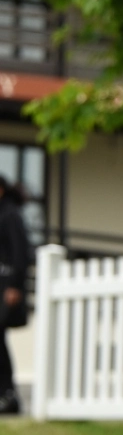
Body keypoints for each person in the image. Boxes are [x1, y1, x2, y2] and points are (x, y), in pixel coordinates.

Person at [0, 176, 30, 415]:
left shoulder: (10, 214)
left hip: (6, 288)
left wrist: (14, 286)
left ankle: (9, 396)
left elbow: (20, 253)